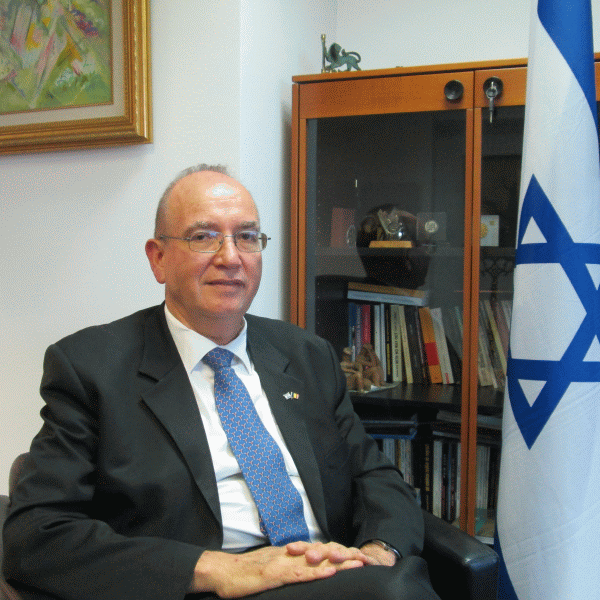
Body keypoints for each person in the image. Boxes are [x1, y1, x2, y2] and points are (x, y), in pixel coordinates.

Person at [2, 165, 440, 600]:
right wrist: (216, 569)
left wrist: (376, 552)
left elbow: (375, 476)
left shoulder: (307, 356)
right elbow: (35, 534)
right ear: (158, 258)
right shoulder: (91, 367)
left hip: (330, 575)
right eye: (203, 236)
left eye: (247, 237)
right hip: (211, 588)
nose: (230, 257)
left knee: (395, 585)